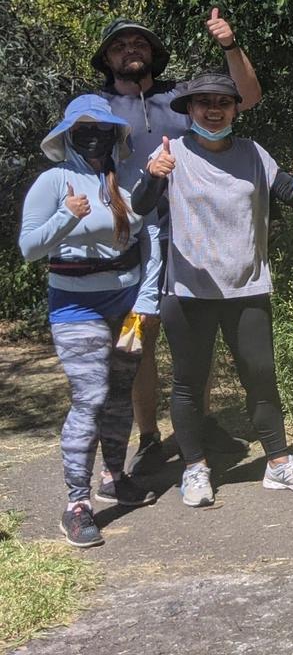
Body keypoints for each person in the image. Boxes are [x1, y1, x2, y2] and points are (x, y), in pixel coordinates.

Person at [132, 73, 293, 508]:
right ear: (189, 110)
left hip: (247, 288)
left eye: (223, 101)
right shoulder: (171, 154)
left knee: (261, 377)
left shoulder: (254, 154)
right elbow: (141, 208)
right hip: (187, 291)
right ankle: (195, 468)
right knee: (187, 383)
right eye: (203, 103)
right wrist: (152, 176)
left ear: (236, 109)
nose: (213, 110)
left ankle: (278, 463)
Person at [91, 11, 264, 475]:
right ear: (107, 58)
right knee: (138, 338)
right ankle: (149, 437)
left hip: (193, 231)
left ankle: (198, 426)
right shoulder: (96, 105)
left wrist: (230, 45)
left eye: (139, 43)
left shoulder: (178, 97)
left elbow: (246, 97)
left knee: (197, 340)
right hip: (130, 236)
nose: (131, 50)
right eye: (120, 45)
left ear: (152, 53)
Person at [19, 95, 159, 547]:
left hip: (127, 302)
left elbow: (148, 236)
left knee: (119, 394)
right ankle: (77, 504)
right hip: (75, 304)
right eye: (85, 130)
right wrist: (66, 215)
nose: (95, 138)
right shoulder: (53, 180)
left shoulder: (127, 179)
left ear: (115, 136)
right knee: (91, 395)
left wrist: (146, 298)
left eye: (103, 130)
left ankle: (115, 476)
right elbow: (29, 248)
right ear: (68, 136)